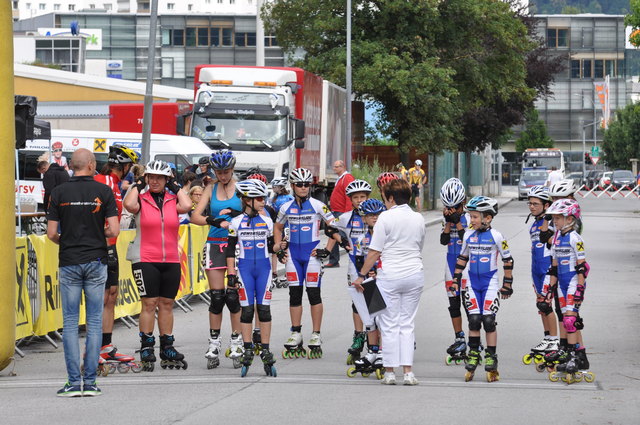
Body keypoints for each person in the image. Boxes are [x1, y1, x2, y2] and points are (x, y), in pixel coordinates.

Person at [46, 148, 119, 397]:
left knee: (69, 323)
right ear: (89, 164)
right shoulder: (104, 191)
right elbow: (115, 229)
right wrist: (99, 235)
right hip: (96, 259)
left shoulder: (58, 192)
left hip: (69, 260)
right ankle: (90, 383)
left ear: (72, 166)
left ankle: (72, 382)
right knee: (95, 322)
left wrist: (67, 242)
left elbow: (52, 233)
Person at [351, 179, 426, 386]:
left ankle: (390, 372)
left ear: (390, 198)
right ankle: (409, 372)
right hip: (414, 273)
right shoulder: (418, 218)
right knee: (407, 323)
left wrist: (362, 275)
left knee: (389, 324)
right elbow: (419, 244)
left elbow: (375, 251)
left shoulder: (385, 218)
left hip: (390, 275)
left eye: (385, 197)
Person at [123, 160, 191, 372]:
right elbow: (128, 205)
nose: (154, 181)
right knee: (149, 303)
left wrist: (176, 187)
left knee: (167, 304)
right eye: (150, 177)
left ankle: (167, 346)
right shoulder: (141, 200)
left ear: (166, 180)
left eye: (159, 178)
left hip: (170, 259)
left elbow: (187, 205)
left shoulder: (173, 200)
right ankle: (146, 345)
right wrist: (137, 185)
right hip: (144, 259)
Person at [274, 168, 344, 359]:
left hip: (312, 255)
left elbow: (333, 227)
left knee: (314, 294)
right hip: (293, 256)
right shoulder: (285, 207)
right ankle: (296, 332)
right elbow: (278, 227)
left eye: (306, 184)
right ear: (293, 186)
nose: (303, 188)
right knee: (294, 294)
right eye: (299, 184)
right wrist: (278, 247)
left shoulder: (319, 205)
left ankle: (316, 334)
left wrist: (327, 250)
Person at [190, 150, 244, 369]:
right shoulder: (210, 188)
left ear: (232, 170)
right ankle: (214, 342)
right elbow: (195, 216)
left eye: (227, 172)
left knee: (233, 295)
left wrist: (234, 215)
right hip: (214, 243)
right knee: (217, 297)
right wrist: (215, 221)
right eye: (219, 172)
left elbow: (255, 211)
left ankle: (237, 339)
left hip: (237, 245)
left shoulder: (241, 189)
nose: (223, 176)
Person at [452, 196, 514, 382]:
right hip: (472, 282)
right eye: (470, 217)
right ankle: (473, 354)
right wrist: (456, 279)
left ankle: (491, 356)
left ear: (487, 218)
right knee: (473, 320)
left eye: (475, 217)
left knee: (488, 320)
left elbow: (508, 259)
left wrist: (507, 284)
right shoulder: (468, 235)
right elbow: (462, 258)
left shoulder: (497, 236)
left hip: (490, 283)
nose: (471, 220)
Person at [222, 179, 277, 377]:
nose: (263, 202)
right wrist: (231, 275)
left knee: (264, 310)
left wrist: (278, 257)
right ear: (246, 200)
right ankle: (247, 348)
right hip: (244, 270)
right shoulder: (235, 223)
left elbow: (272, 249)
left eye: (264, 198)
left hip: (264, 271)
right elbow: (229, 250)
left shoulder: (268, 220)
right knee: (246, 311)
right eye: (259, 198)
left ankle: (266, 348)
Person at [94, 145, 140, 371]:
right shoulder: (103, 181)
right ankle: (93, 349)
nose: (131, 170)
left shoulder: (117, 185)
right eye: (129, 166)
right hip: (100, 247)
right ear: (124, 166)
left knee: (112, 295)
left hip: (111, 248)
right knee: (102, 298)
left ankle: (105, 345)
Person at [545, 199, 593, 383]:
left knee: (570, 319)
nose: (555, 221)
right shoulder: (556, 238)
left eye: (558, 218)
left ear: (571, 219)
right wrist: (550, 289)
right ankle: (572, 355)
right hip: (561, 284)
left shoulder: (576, 239)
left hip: (574, 281)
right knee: (564, 319)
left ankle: (574, 357)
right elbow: (554, 267)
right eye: (554, 218)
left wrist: (580, 288)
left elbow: (582, 267)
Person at [325, 179, 372, 364]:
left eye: (363, 197)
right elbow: (330, 229)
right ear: (350, 200)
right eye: (356, 198)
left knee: (374, 304)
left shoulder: (378, 215)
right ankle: (358, 336)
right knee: (357, 303)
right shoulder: (345, 218)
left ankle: (375, 342)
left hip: (374, 265)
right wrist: (338, 242)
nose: (360, 200)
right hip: (354, 265)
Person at [347, 199, 385, 379]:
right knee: (370, 320)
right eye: (370, 216)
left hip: (385, 281)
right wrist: (363, 278)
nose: (375, 218)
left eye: (378, 215)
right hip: (369, 282)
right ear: (363, 218)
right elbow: (358, 262)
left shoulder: (387, 237)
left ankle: (384, 352)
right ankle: (372, 351)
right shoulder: (361, 240)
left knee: (383, 319)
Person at [523, 186, 559, 364]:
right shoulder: (534, 223)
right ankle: (547, 338)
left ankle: (554, 341)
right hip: (535, 269)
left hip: (546, 269)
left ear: (546, 205)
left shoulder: (551, 222)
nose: (531, 207)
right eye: (530, 203)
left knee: (546, 305)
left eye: (535, 204)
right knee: (540, 305)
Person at [439, 178, 470, 364]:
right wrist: (448, 222)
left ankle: (474, 340)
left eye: (456, 207)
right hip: (450, 266)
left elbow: (467, 240)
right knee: (454, 304)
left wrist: (458, 221)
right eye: (449, 207)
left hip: (466, 267)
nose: (453, 211)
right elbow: (443, 241)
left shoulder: (469, 218)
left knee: (469, 306)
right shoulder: (449, 218)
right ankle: (459, 337)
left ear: (463, 203)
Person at [327, 160, 355, 267]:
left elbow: (349, 195)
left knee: (338, 234)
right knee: (334, 233)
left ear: (343, 167)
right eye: (334, 167)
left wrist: (348, 212)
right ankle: (333, 260)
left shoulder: (347, 178)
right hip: (337, 211)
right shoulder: (341, 178)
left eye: (336, 167)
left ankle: (351, 254)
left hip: (342, 212)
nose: (334, 169)